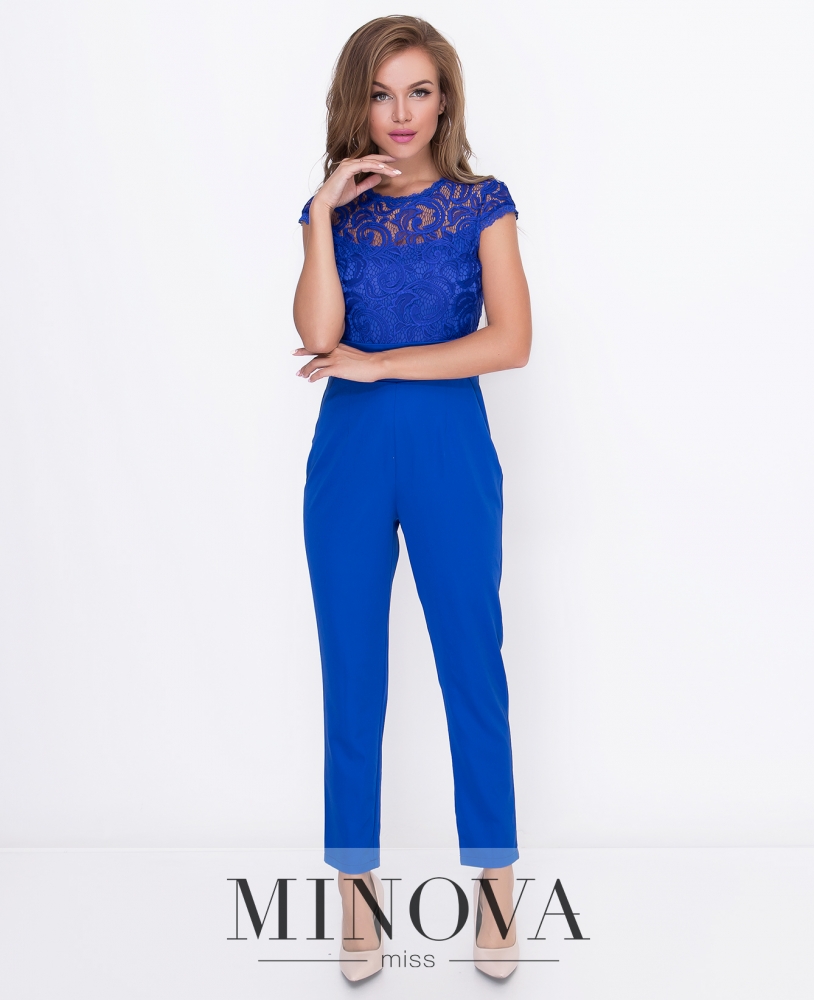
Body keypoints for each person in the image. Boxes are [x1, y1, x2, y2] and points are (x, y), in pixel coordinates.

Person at [292, 15, 532, 981]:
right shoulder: (333, 214)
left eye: (420, 91)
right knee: (352, 672)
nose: (401, 112)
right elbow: (319, 335)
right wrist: (321, 213)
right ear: (357, 101)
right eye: (382, 93)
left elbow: (510, 341)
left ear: (444, 101)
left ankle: (498, 891)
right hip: (348, 456)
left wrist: (384, 364)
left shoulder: (482, 203)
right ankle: (356, 897)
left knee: (472, 664)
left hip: (448, 448)